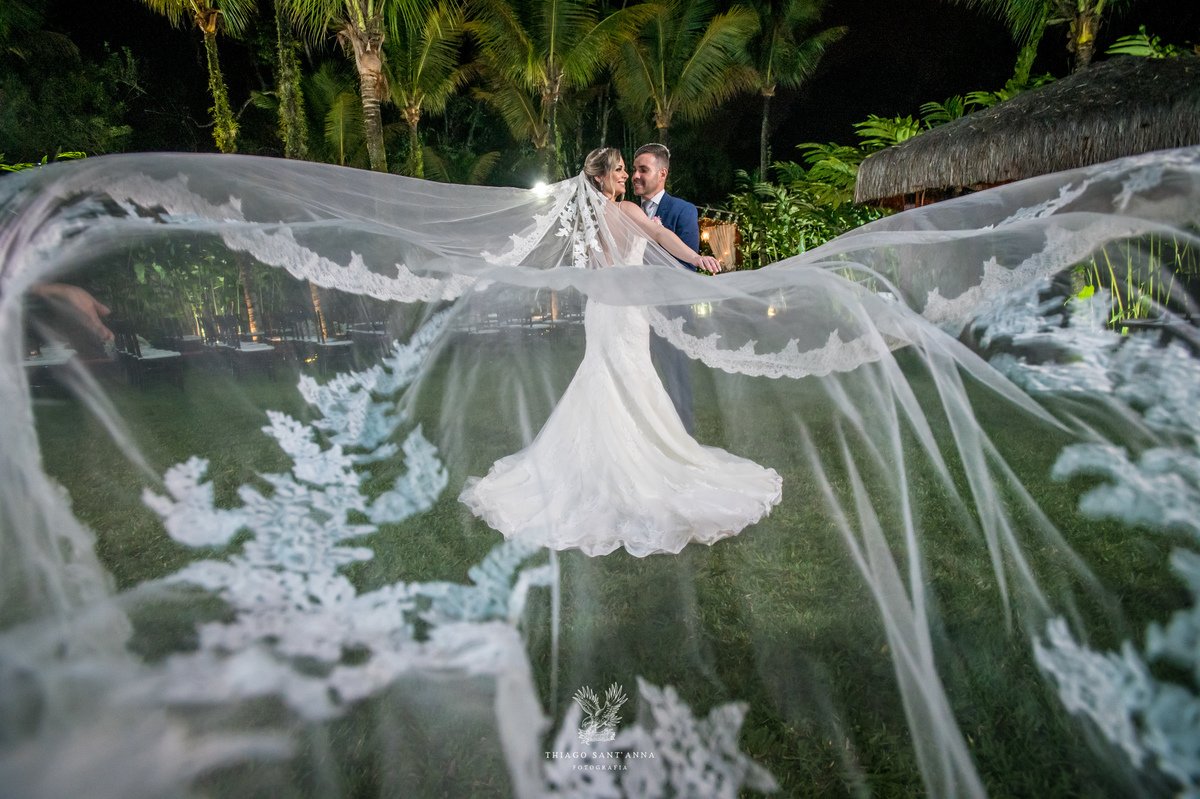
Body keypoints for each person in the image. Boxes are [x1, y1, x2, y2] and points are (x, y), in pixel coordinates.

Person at [458, 147, 781, 557]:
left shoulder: (586, 222)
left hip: (604, 311)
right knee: (626, 377)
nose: (626, 175)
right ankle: (633, 462)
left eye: (629, 169)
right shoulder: (627, 210)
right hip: (626, 311)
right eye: (619, 170)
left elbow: (593, 271)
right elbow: (662, 237)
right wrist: (698, 256)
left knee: (609, 377)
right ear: (601, 178)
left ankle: (599, 460)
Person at [632, 143, 702, 433]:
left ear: (662, 174)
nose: (635, 175)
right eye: (634, 169)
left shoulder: (682, 210)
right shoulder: (628, 211)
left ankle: (683, 435)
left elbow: (687, 266)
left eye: (642, 170)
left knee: (675, 375)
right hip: (634, 311)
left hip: (671, 308)